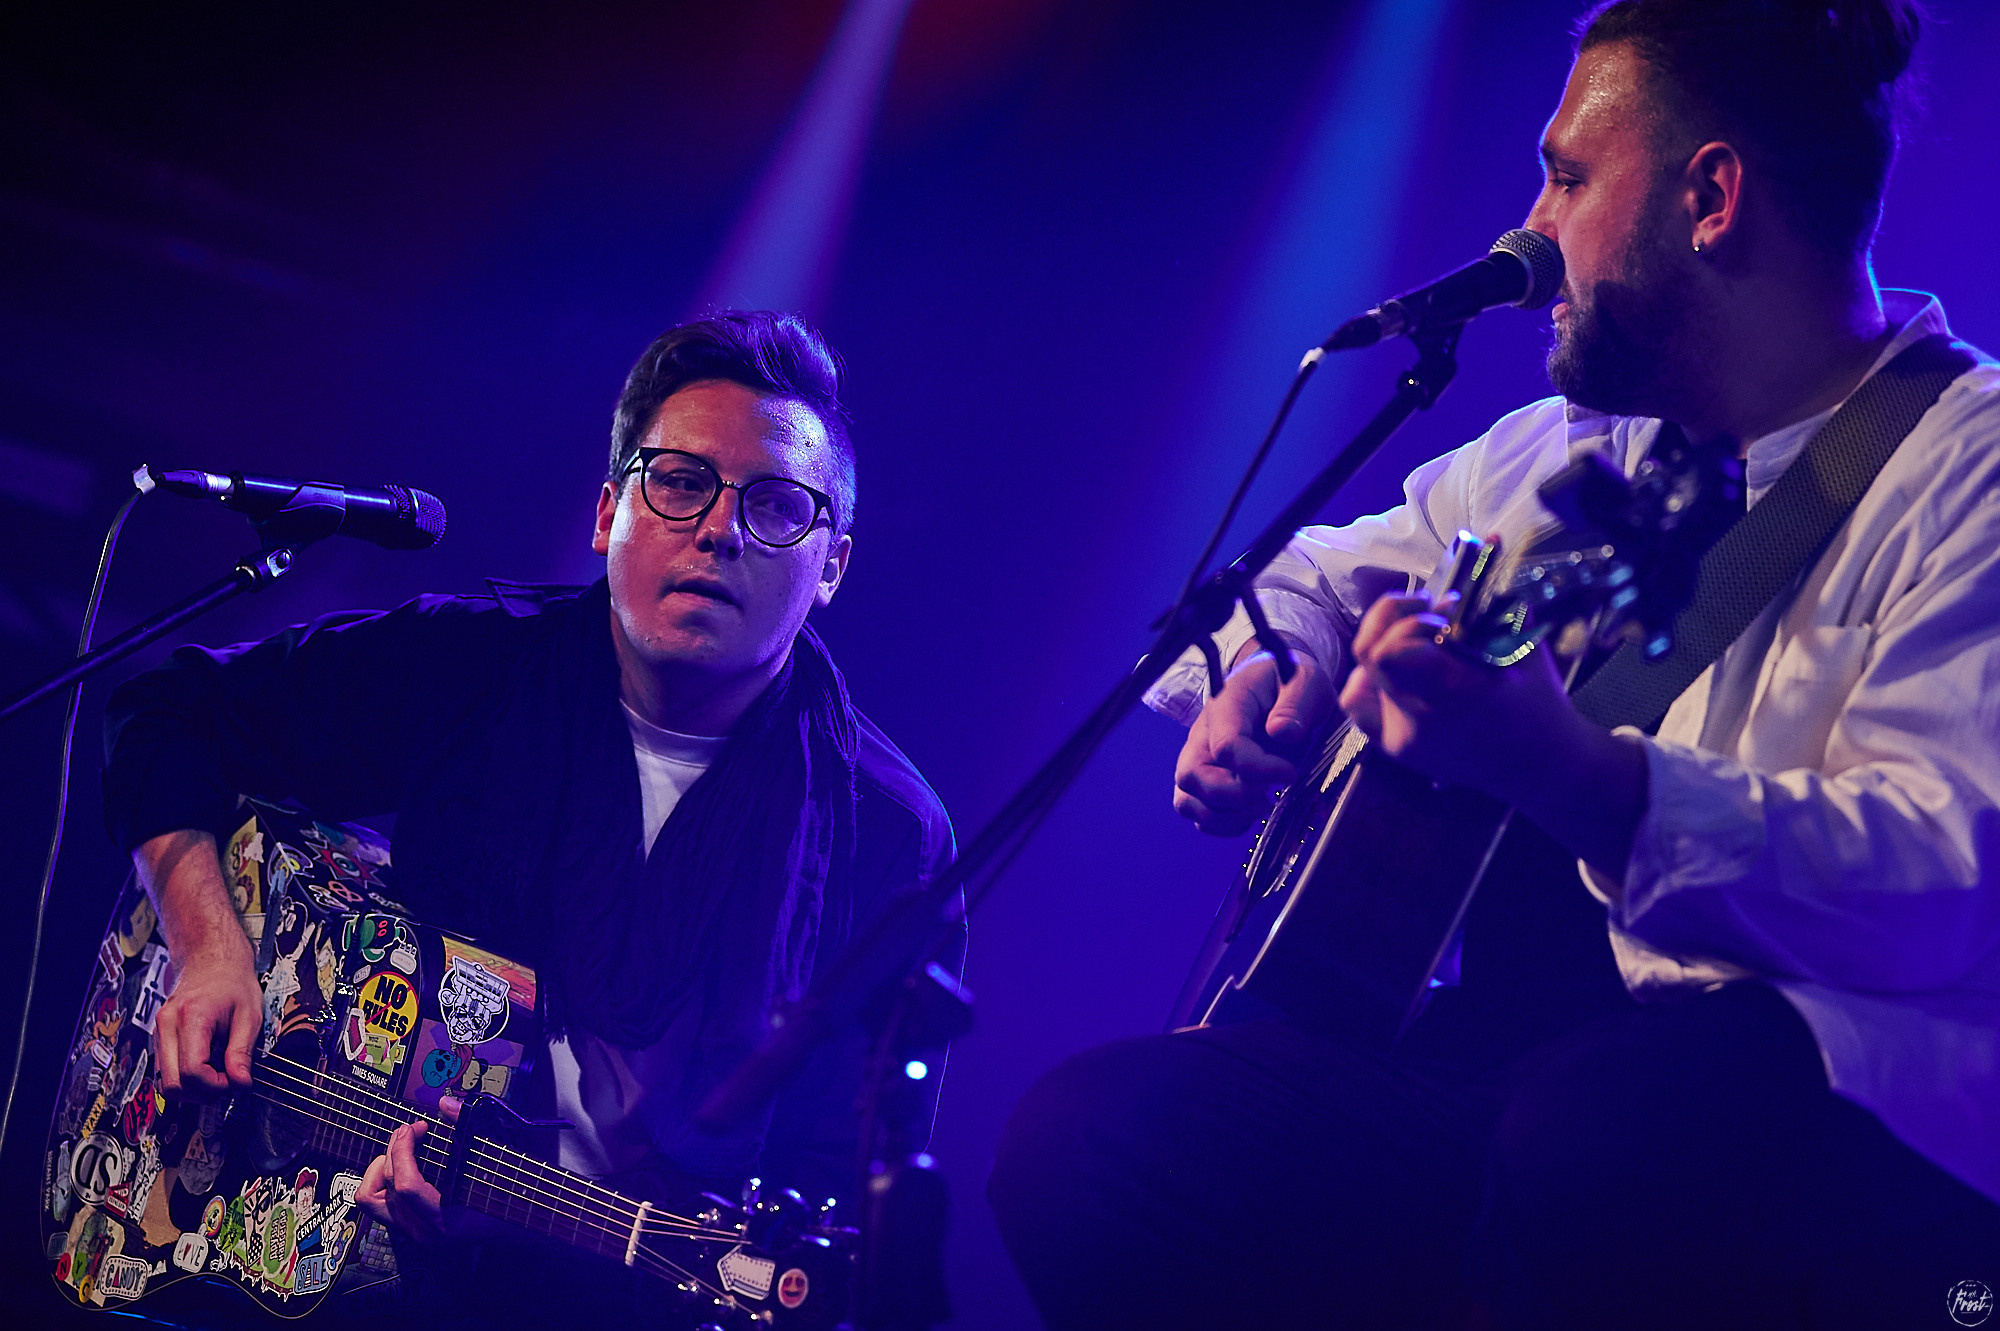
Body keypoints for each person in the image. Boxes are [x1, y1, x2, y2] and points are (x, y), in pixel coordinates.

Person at [989, 2, 2000, 1327]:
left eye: (1570, 177)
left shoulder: (1965, 468)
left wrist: (1586, 777)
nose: (1527, 226)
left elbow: (1951, 873)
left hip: (1823, 1105)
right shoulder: (1561, 452)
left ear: (1712, 194)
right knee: (1092, 1144)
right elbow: (1299, 575)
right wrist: (1272, 668)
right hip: (1508, 1069)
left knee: (1599, 1139)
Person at [102, 311, 954, 1319]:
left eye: (775, 505)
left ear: (832, 567)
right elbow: (168, 712)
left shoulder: (887, 834)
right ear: (606, 514)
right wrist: (208, 945)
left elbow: (842, 1185)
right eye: (679, 481)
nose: (719, 528)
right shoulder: (469, 667)